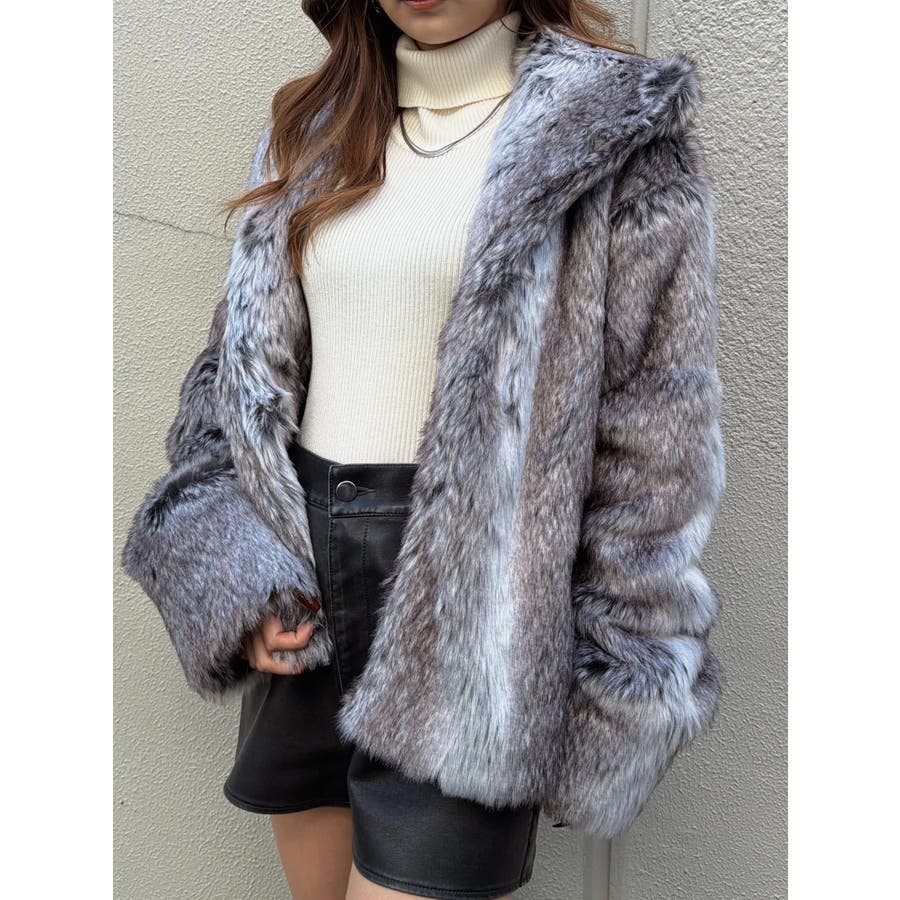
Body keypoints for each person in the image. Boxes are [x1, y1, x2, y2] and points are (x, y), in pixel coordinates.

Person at [121, 1, 725, 898]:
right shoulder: (313, 130)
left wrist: (615, 671)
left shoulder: (613, 142)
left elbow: (653, 437)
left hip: (475, 606)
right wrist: (239, 576)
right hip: (304, 584)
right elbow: (231, 385)